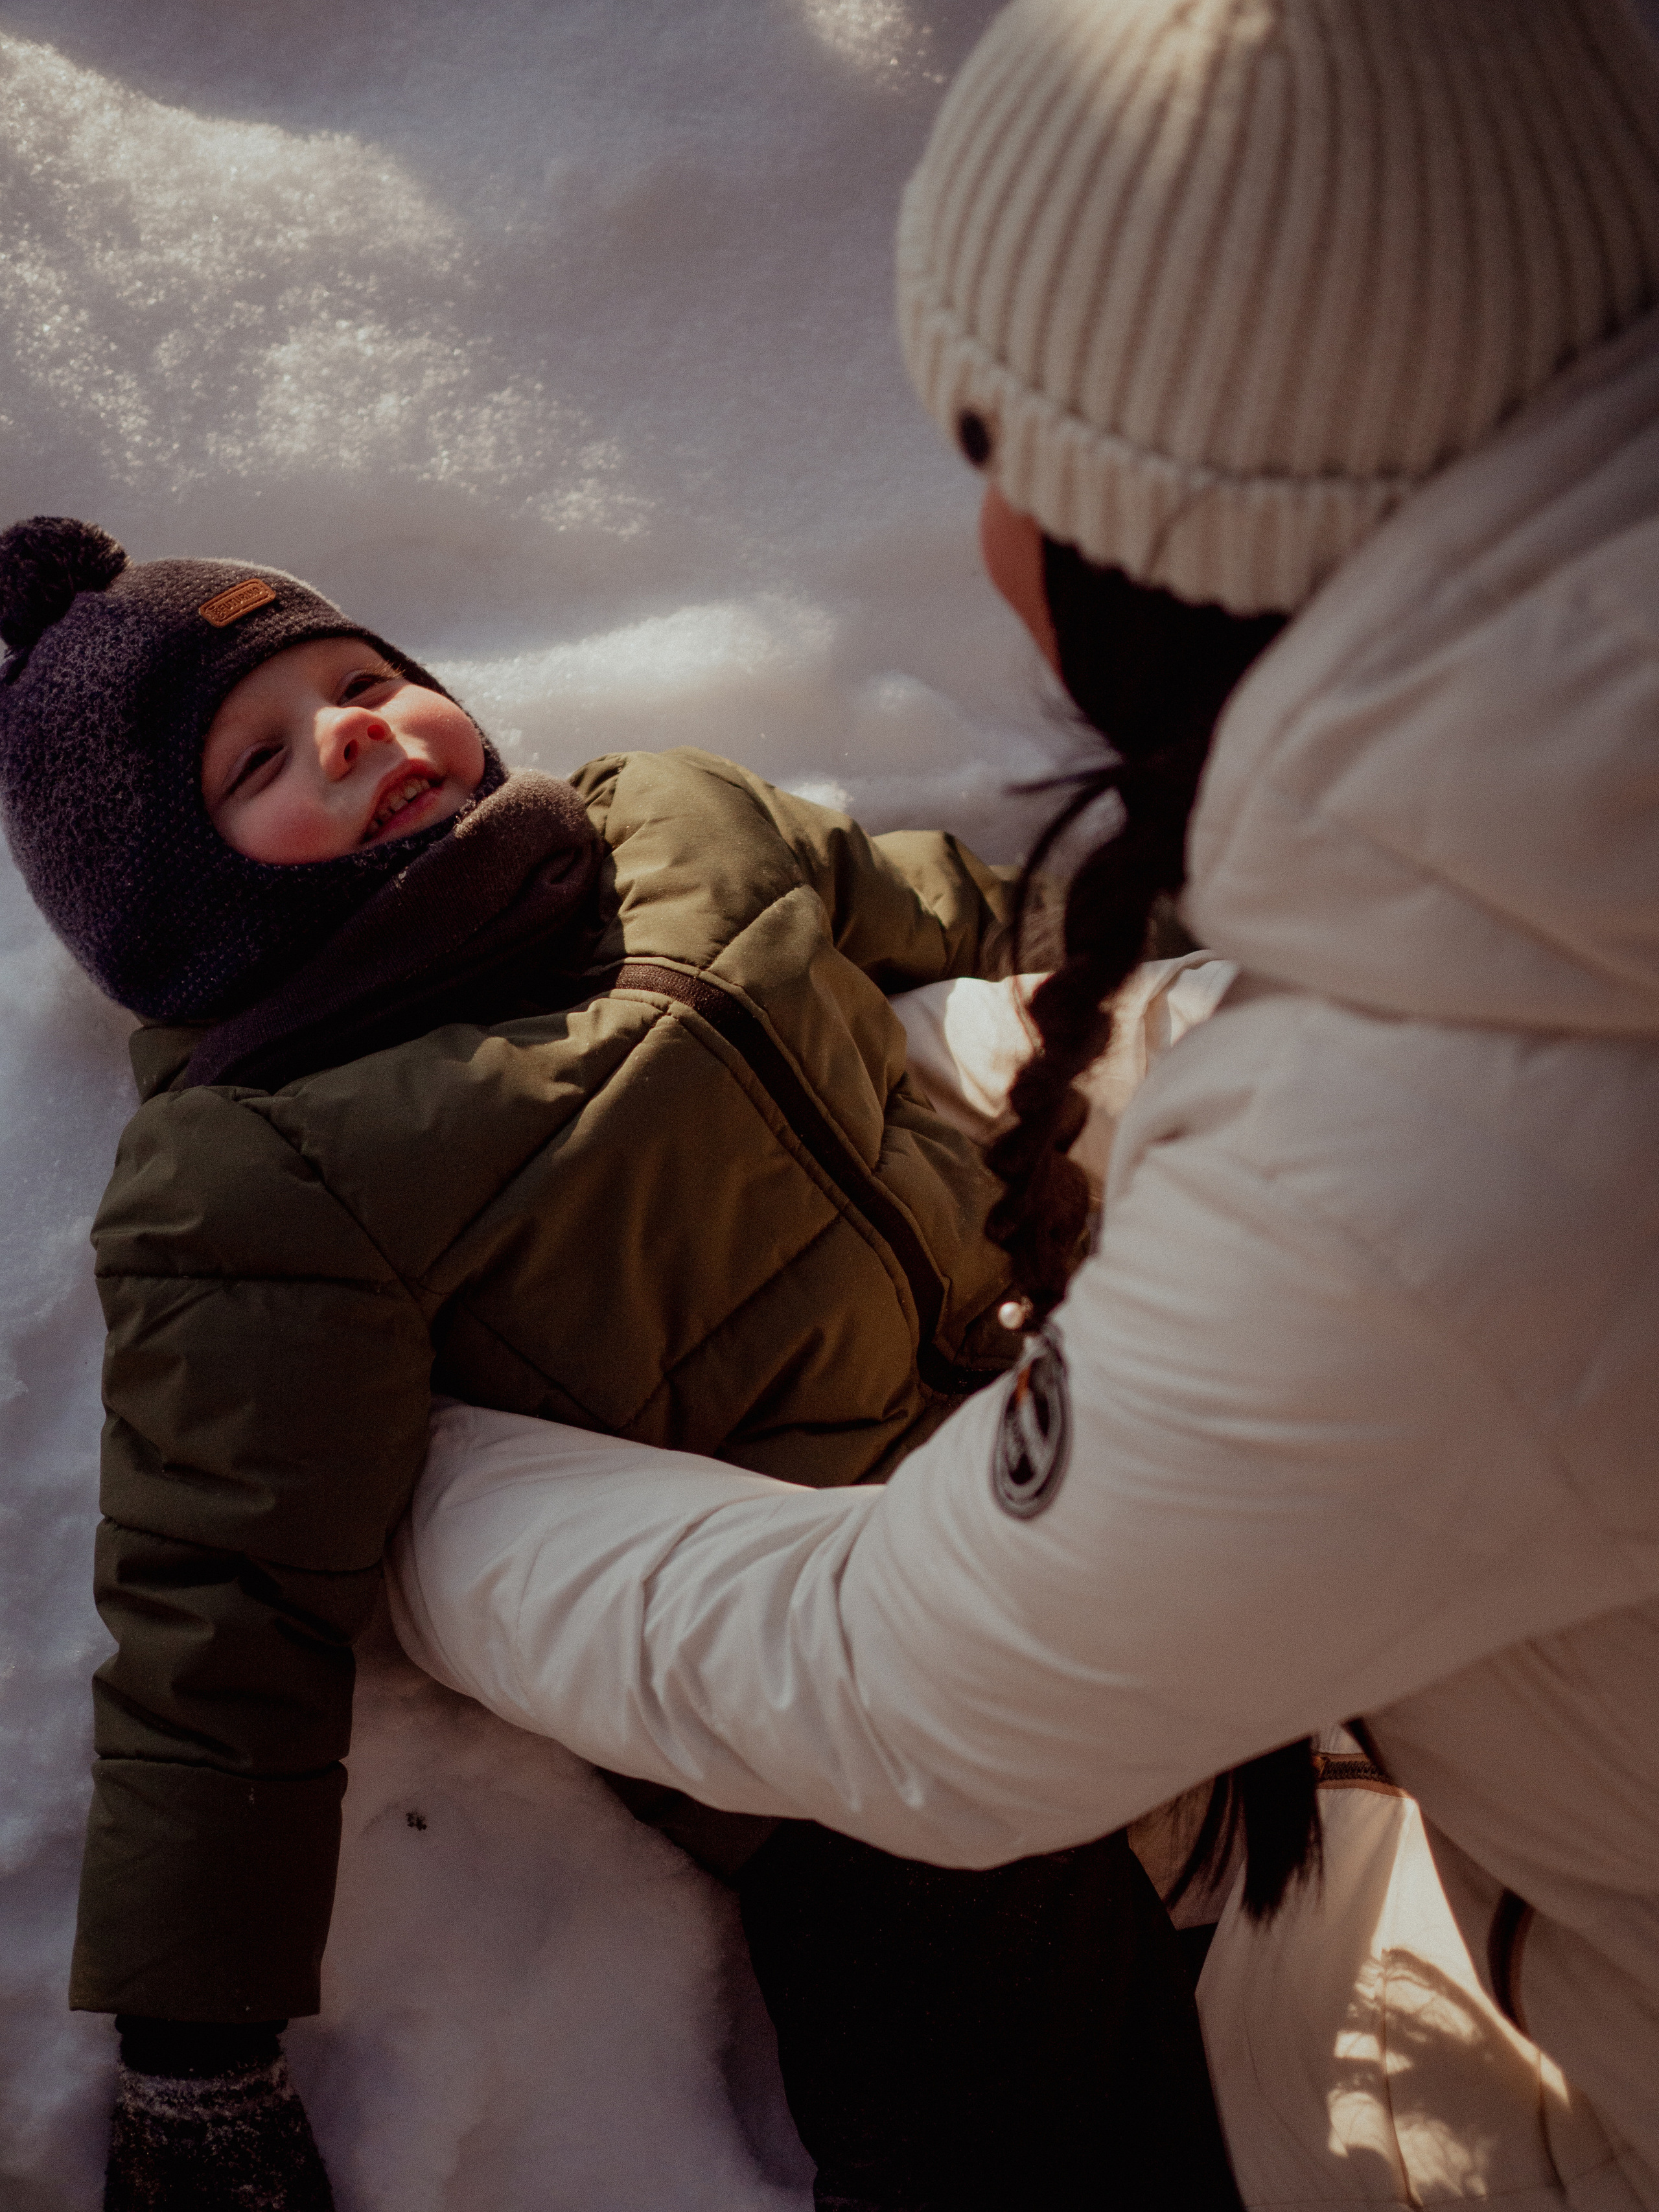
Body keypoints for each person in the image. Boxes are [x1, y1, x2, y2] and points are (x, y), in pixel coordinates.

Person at [386, 0, 1659, 2206]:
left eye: (997, 444)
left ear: (1186, 542)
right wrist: (846, 1073)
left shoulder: (1445, 1193)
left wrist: (408, 1491)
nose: (971, 520)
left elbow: (907, 1686)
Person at [0, 520, 1240, 2207]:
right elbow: (223, 1604)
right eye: (264, 759)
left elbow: (956, 916)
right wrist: (197, 2042)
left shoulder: (673, 821)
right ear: (183, 901)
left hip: (1093, 1423)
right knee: (1021, 2088)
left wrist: (1196, 936)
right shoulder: (266, 1162)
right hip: (828, 1686)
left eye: (363, 684)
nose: (358, 731)